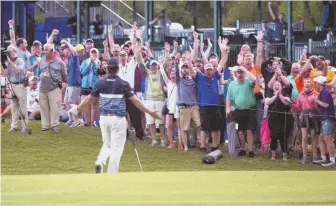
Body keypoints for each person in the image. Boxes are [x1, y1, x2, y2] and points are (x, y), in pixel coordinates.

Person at [69, 58, 161, 173]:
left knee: (107, 144)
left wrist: (77, 108)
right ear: (118, 69)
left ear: (108, 68)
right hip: (118, 119)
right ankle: (111, 173)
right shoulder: (123, 84)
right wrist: (149, 112)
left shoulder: (101, 83)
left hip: (104, 119)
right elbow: (135, 101)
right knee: (116, 148)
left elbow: (89, 98)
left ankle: (100, 161)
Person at [226, 66, 257, 157]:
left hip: (250, 110)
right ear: (235, 74)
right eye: (238, 72)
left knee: (249, 131)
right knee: (239, 131)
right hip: (237, 111)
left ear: (244, 74)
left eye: (242, 72)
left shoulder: (248, 82)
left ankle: (251, 150)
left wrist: (246, 70)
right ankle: (242, 149)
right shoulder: (232, 84)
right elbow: (228, 98)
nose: (240, 74)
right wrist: (228, 109)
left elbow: (255, 80)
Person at [0, 45, 29, 133]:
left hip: (20, 85)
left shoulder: (20, 60)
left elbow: (17, 71)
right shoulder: (7, 62)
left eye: (9, 51)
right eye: (7, 52)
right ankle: (14, 126)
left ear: (14, 51)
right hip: (12, 85)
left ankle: (24, 127)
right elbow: (5, 74)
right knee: (14, 107)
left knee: (23, 107)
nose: (8, 53)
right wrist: (1, 63)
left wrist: (9, 61)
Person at [38, 44, 66, 132]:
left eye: (46, 50)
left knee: (55, 108)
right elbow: (39, 73)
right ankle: (45, 126)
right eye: (44, 50)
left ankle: (55, 126)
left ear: (52, 51)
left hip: (54, 88)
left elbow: (64, 75)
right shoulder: (41, 61)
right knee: (43, 108)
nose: (44, 51)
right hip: (42, 88)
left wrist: (61, 84)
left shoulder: (60, 62)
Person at [290, 78, 319, 163]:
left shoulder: (315, 94)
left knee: (313, 136)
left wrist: (316, 102)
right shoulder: (301, 95)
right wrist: (291, 104)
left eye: (308, 82)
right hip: (303, 116)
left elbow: (317, 107)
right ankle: (305, 156)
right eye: (305, 82)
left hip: (313, 116)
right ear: (303, 85)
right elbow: (298, 107)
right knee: (304, 137)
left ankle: (314, 156)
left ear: (311, 84)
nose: (306, 84)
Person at [265, 80, 292, 161]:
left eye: (278, 85)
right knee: (273, 137)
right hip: (273, 120)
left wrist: (279, 94)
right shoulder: (269, 96)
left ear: (282, 87)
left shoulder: (286, 96)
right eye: (275, 85)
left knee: (283, 137)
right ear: (273, 87)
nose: (276, 86)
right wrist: (275, 96)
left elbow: (286, 102)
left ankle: (284, 154)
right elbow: (268, 102)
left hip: (283, 120)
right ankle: (273, 155)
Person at [314, 76, 336, 167]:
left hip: (328, 118)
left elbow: (326, 105)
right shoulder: (323, 91)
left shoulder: (326, 92)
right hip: (324, 117)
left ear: (319, 83)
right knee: (321, 137)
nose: (315, 83)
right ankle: (323, 158)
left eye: (316, 82)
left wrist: (317, 101)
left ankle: (332, 160)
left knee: (328, 139)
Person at [60, 40, 84, 127]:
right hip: (70, 83)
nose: (63, 50)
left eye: (64, 48)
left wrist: (66, 42)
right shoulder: (69, 57)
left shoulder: (74, 55)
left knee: (70, 102)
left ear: (68, 49)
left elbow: (74, 50)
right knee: (66, 101)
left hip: (74, 83)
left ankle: (76, 121)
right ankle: (71, 119)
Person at [80, 48, 99, 126]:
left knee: (93, 105)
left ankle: (92, 122)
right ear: (90, 54)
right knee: (84, 104)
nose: (93, 54)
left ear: (97, 54)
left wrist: (94, 63)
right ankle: (87, 121)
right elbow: (82, 72)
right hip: (85, 85)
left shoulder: (99, 62)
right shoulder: (85, 61)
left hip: (94, 86)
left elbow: (97, 73)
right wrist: (89, 64)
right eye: (92, 53)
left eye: (95, 53)